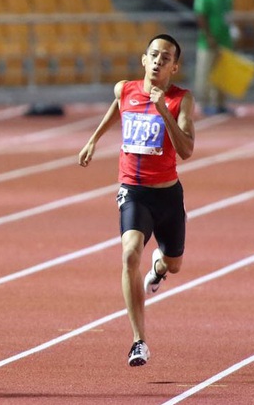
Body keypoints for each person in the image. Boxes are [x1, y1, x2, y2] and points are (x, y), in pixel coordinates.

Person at [78, 34, 195, 366]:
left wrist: (163, 110)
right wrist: (93, 140)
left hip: (168, 195)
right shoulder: (124, 89)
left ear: (175, 66)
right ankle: (138, 340)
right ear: (144, 59)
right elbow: (117, 107)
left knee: (174, 263)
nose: (158, 61)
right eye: (153, 55)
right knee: (130, 254)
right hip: (133, 192)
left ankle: (159, 268)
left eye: (166, 57)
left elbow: (186, 150)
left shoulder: (181, 100)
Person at [193, 0, 234, 116]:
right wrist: (208, 35)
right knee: (206, 74)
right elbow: (201, 16)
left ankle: (220, 103)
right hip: (208, 42)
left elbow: (227, 15)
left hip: (225, 40)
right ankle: (206, 103)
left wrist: (232, 31)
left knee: (223, 74)